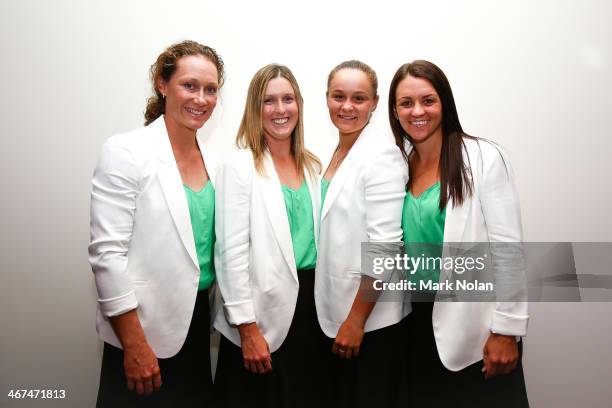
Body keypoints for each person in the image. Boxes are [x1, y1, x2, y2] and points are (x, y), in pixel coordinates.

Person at [88, 40, 224, 407]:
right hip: (141, 329)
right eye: (189, 85)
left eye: (211, 89)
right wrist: (134, 345)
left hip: (196, 322)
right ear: (163, 85)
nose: (201, 98)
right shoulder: (126, 151)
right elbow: (106, 255)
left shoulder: (216, 161)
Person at [388, 60, 529, 407]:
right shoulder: (397, 166)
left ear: (445, 103)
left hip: (475, 330)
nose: (417, 111)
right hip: (416, 327)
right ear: (395, 110)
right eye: (406, 103)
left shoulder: (483, 158)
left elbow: (508, 249)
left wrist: (507, 331)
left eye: (428, 100)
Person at [213, 64, 326, 407]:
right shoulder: (240, 167)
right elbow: (230, 254)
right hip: (260, 317)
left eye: (288, 99)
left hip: (312, 313)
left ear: (300, 105)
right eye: (268, 101)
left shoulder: (313, 167)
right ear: (254, 108)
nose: (280, 110)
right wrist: (246, 329)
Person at [316, 60, 409, 408]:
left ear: (373, 103)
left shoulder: (381, 156)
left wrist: (356, 321)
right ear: (326, 98)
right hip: (334, 312)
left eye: (359, 98)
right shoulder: (337, 152)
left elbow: (384, 248)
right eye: (338, 96)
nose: (347, 106)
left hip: (370, 323)